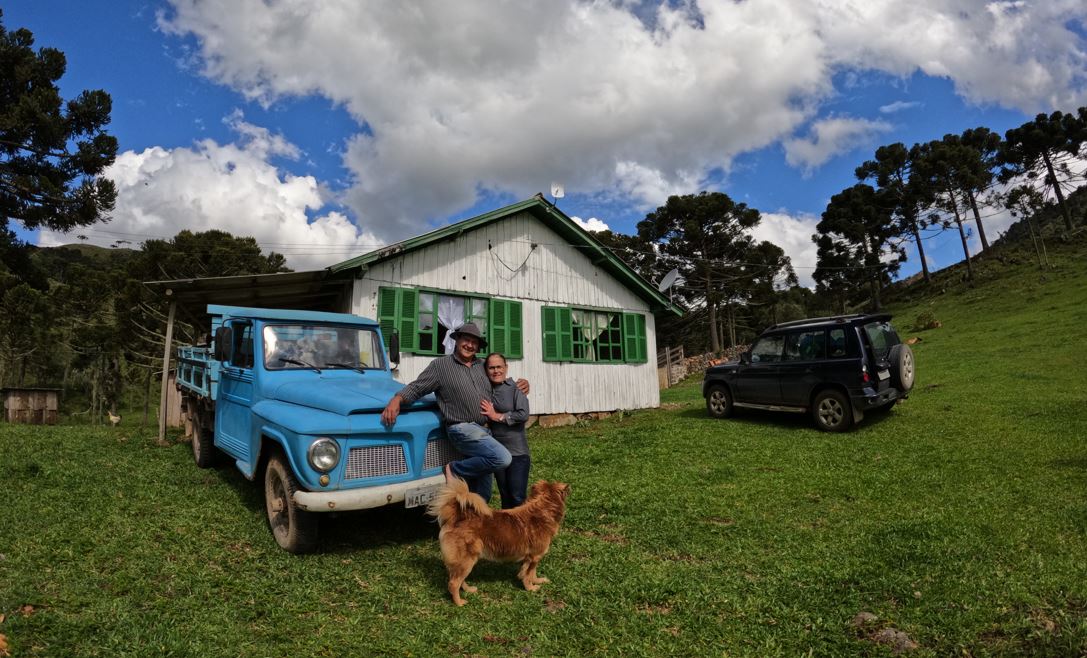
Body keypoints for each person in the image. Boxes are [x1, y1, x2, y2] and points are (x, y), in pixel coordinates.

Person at [380, 323, 527, 501]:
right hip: (462, 428)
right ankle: (454, 469)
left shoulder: (482, 366)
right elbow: (418, 388)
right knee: (502, 457)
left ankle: (471, 525)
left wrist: (521, 385)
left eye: (474, 342)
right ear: (457, 340)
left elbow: (500, 381)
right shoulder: (440, 366)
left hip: (485, 431)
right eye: (466, 340)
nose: (470, 345)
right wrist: (397, 399)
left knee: (482, 495)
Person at [480, 353, 531, 508]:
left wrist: (496, 416)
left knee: (517, 497)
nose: (496, 371)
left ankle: (524, 531)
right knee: (505, 496)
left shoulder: (516, 388)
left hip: (517, 454)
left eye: (499, 367)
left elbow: (523, 415)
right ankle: (508, 532)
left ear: (506, 368)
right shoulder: (486, 390)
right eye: (491, 367)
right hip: (498, 453)